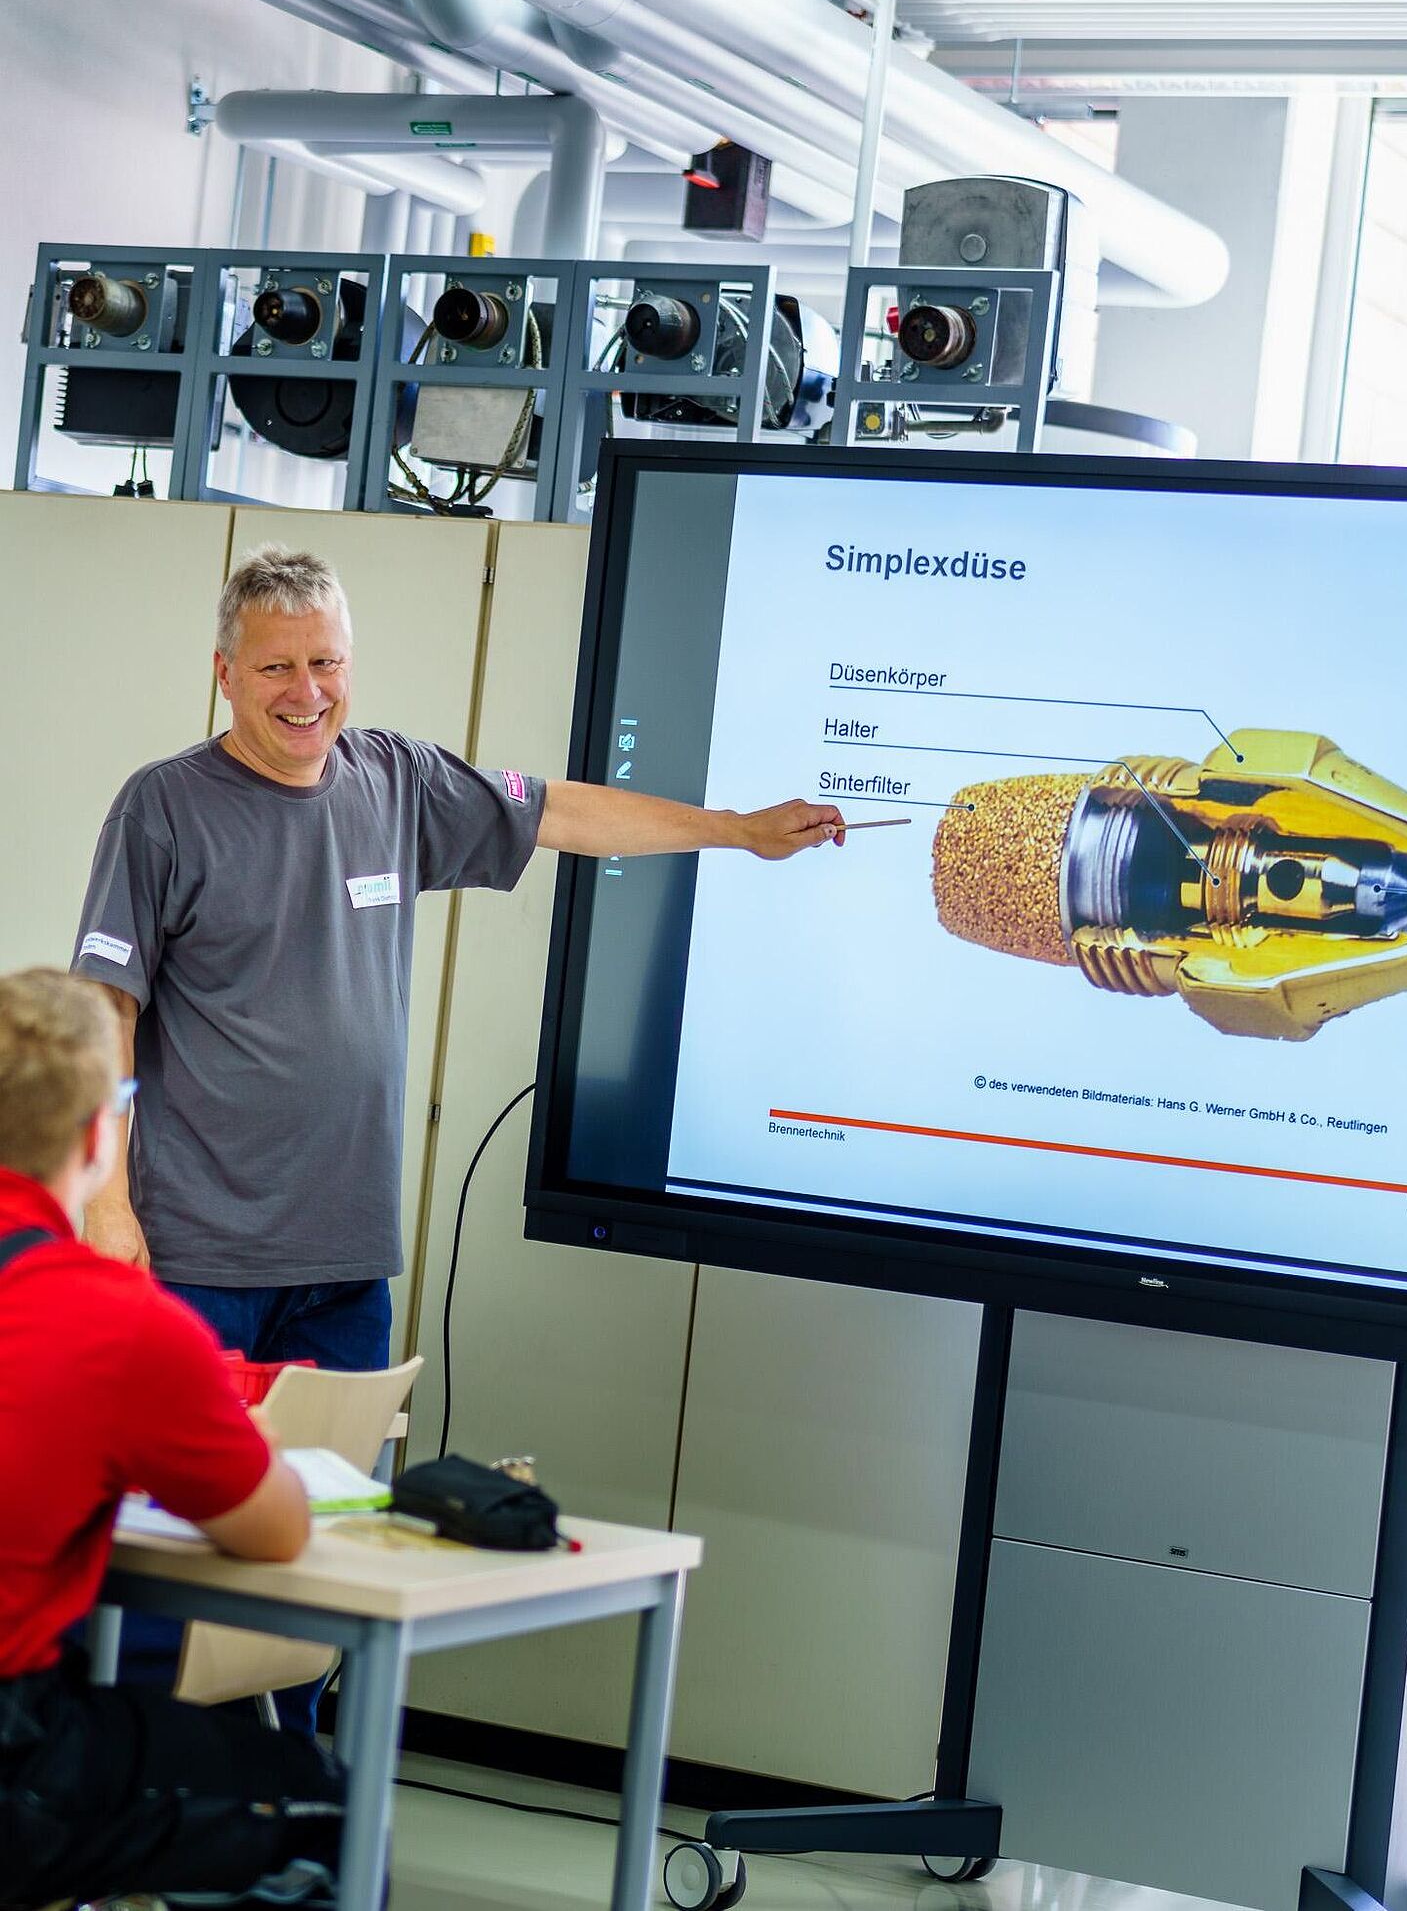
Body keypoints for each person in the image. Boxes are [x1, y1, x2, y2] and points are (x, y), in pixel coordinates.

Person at [70, 543, 844, 1726]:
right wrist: (112, 1202)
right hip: (196, 1262)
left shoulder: (394, 784)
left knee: (325, 1575)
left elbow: (567, 813)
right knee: (177, 1581)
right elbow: (106, 1009)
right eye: (276, 666)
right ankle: (140, 1815)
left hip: (344, 1272)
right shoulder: (165, 807)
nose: (306, 692)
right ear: (225, 672)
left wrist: (735, 830)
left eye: (326, 662)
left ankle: (290, 1819)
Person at [0, 967, 344, 1908]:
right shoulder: (113, 1321)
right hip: (13, 1767)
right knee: (316, 1810)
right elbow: (273, 1531)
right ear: (100, 1134)